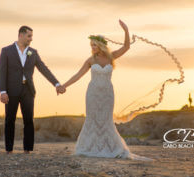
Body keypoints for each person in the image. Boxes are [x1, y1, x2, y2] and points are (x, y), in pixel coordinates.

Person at [62, 19, 154, 161]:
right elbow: (78, 75)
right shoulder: (90, 61)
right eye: (91, 45)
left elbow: (126, 47)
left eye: (94, 45)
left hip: (107, 93)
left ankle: (110, 147)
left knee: (106, 119)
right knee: (92, 119)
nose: (92, 47)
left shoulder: (111, 57)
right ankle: (89, 148)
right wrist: (64, 86)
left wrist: (126, 31)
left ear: (100, 45)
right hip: (92, 93)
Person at [0, 25, 66, 154]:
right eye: (29, 36)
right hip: (11, 90)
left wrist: (56, 84)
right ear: (21, 35)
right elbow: (2, 72)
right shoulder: (6, 51)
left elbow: (43, 69)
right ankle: (9, 149)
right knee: (10, 120)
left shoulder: (33, 52)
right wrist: (3, 91)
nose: (31, 39)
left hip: (28, 90)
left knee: (28, 120)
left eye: (31, 36)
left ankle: (28, 149)